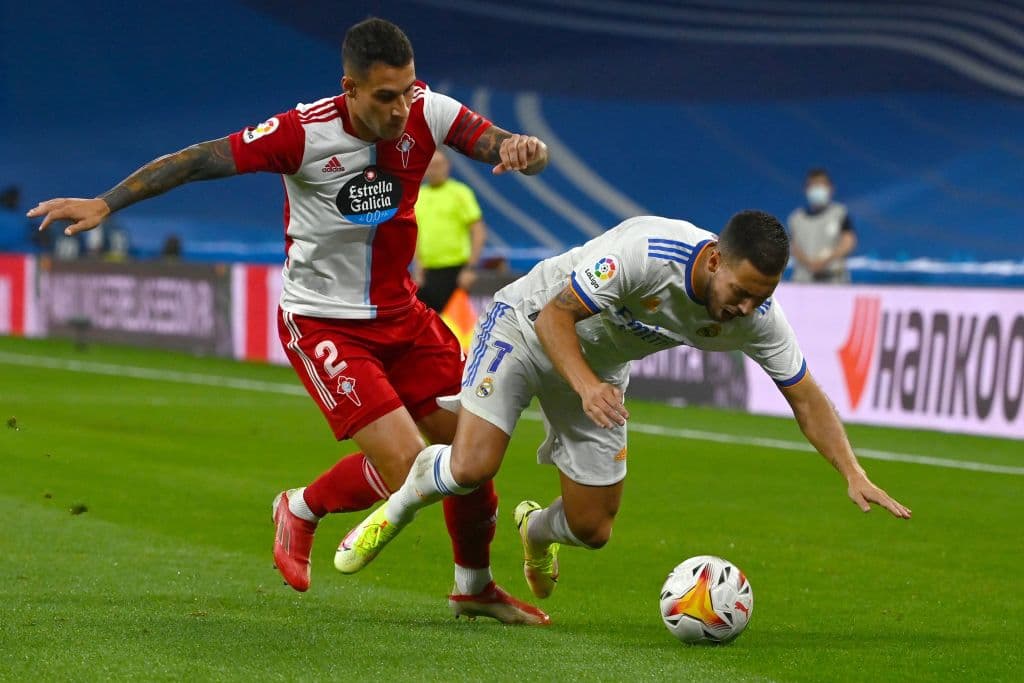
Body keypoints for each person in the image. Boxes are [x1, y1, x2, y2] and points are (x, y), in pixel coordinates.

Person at [28, 17, 551, 625]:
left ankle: (474, 588)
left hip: (404, 317)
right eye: (385, 96)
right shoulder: (302, 133)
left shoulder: (428, 111)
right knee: (410, 467)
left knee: (471, 453)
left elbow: (500, 145)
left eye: (407, 91)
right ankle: (301, 507)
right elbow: (198, 160)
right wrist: (106, 202)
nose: (401, 109)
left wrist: (526, 151)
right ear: (349, 89)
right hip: (325, 323)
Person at [334, 211, 911, 610]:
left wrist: (851, 471)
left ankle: (535, 529)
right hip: (526, 327)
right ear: (715, 260)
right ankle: (403, 502)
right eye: (741, 291)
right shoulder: (647, 253)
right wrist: (586, 387)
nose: (746, 308)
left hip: (599, 372)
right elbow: (555, 317)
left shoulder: (758, 317)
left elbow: (805, 395)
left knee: (593, 528)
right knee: (473, 466)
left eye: (761, 297)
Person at [414, 149, 487, 312]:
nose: (435, 169)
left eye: (439, 164)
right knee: (428, 324)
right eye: (431, 165)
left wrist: (470, 269)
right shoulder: (418, 196)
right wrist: (418, 268)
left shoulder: (460, 193)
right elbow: (414, 235)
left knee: (453, 325)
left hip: (456, 272)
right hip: (428, 273)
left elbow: (479, 232)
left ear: (447, 166)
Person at [788, 168, 857, 283]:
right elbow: (792, 246)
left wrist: (826, 261)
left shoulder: (839, 213)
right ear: (806, 189)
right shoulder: (796, 218)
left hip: (834, 280)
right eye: (813, 185)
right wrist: (809, 263)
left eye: (821, 185)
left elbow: (848, 241)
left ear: (831, 188)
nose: (817, 189)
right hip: (803, 281)